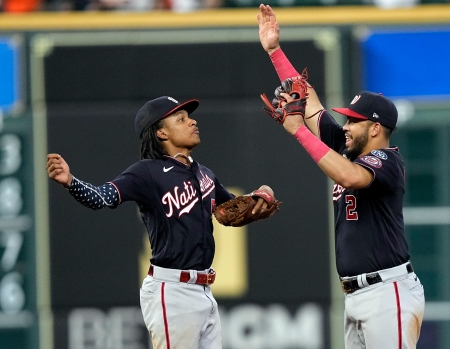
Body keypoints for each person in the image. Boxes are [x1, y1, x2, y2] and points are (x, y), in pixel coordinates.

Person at [46, 95, 278, 349]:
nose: (192, 122)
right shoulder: (146, 172)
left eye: (189, 117)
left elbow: (230, 210)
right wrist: (71, 182)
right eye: (181, 119)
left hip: (203, 290)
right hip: (172, 290)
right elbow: (102, 197)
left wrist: (256, 201)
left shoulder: (204, 173)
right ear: (161, 133)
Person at [257, 4, 425, 349]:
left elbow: (351, 178)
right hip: (358, 294)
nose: (345, 126)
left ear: (376, 127)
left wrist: (298, 133)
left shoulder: (386, 161)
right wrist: (275, 52)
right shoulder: (348, 148)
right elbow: (309, 103)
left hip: (387, 292)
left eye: (353, 121)